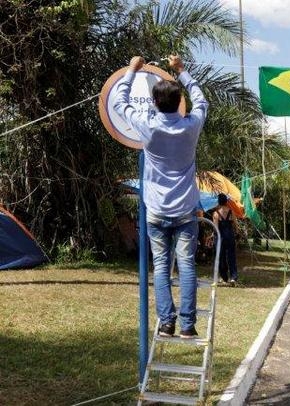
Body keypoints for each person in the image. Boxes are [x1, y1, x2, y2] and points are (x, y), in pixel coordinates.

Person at [113, 55, 208, 339]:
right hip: (185, 210)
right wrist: (181, 70)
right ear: (180, 103)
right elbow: (202, 101)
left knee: (162, 267)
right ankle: (188, 326)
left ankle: (166, 323)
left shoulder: (148, 126)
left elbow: (119, 102)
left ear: (154, 103)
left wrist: (132, 69)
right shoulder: (191, 126)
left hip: (156, 210)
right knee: (187, 266)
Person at [213, 193, 238, 284]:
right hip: (230, 236)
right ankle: (233, 277)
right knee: (232, 256)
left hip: (220, 238)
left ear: (218, 201)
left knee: (221, 257)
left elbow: (215, 228)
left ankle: (224, 277)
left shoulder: (216, 213)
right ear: (226, 202)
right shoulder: (231, 211)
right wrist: (237, 233)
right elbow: (235, 225)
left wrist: (213, 236)